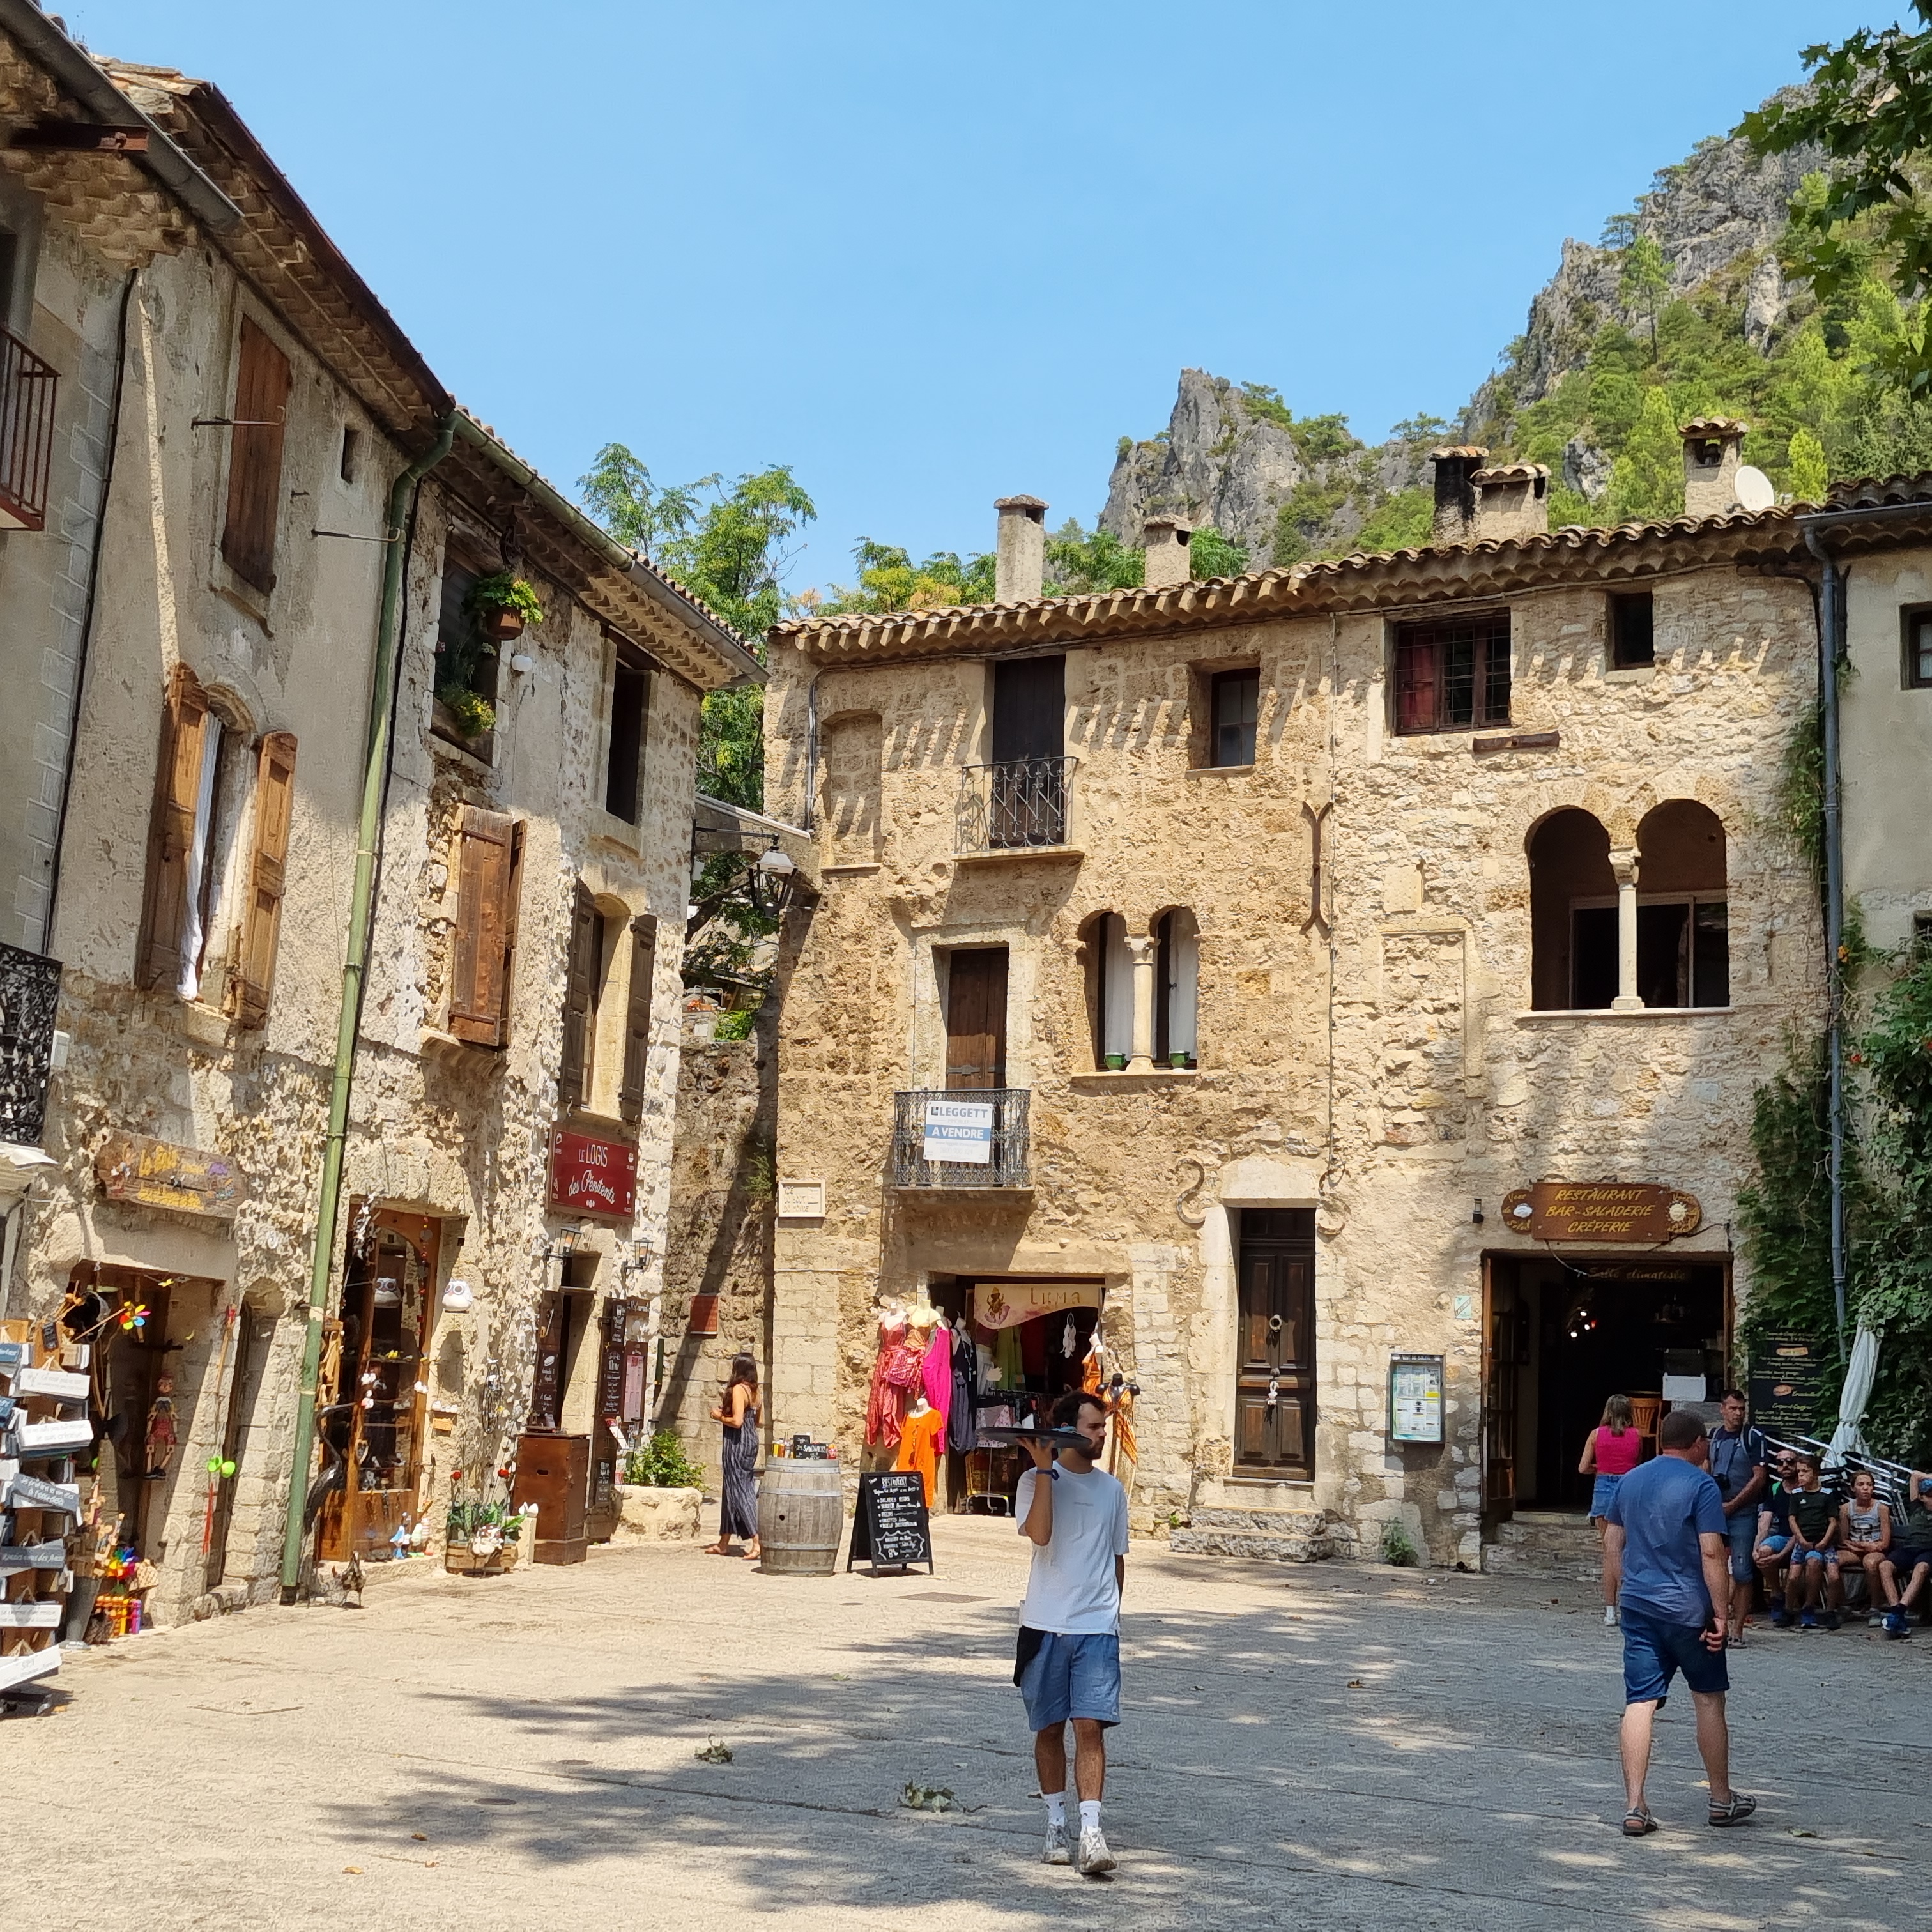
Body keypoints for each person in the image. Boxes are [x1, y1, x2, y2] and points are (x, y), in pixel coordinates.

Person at [1604, 1408, 1756, 1836]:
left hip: (1639, 1606)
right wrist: (1722, 1613)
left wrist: (1620, 1593)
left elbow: (1612, 1542)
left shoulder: (1629, 1481)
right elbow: (1711, 1551)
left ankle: (1635, 1806)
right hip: (1689, 1611)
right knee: (1707, 1699)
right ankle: (1721, 1799)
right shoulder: (1701, 1485)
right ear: (1697, 1443)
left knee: (1639, 1702)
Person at [1015, 1390, 1130, 1878]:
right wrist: (1044, 1470)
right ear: (1066, 1430)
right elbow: (1040, 1534)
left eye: (1103, 1427)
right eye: (1093, 1427)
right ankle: (1056, 1824)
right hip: (1044, 1625)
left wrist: (1111, 1614)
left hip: (1096, 1629)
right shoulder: (1032, 1481)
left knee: (1090, 1727)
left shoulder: (1113, 1490)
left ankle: (1092, 1832)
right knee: (1049, 1728)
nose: (1102, 1435)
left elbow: (1118, 1558)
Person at [1706, 1391, 1770, 1643]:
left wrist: (1733, 1505)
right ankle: (1717, 1622)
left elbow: (1759, 1477)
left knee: (1742, 1571)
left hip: (1742, 1512)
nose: (1738, 1414)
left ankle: (1738, 1630)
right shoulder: (1714, 1436)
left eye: (1742, 1409)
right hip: (1716, 1512)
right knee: (1714, 1567)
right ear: (1722, 1409)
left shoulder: (1752, 1437)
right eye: (1733, 1408)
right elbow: (1707, 1468)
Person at [1579, 1394, 1644, 1627]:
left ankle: (1610, 1609)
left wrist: (1599, 1468)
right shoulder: (1637, 1435)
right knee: (1627, 1549)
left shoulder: (1596, 1435)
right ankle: (1630, 1603)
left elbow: (1582, 1468)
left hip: (1604, 1486)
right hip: (1628, 1487)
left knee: (1609, 1551)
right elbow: (1637, 1464)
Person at [705, 1352, 761, 1561]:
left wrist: (719, 1416)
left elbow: (737, 1422)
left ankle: (757, 1541)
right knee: (730, 1489)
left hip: (737, 1443)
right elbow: (757, 1421)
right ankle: (724, 1542)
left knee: (741, 1490)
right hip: (751, 1441)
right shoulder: (756, 1392)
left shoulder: (739, 1389)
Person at [1782, 1454, 1841, 1630]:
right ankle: (1788, 1609)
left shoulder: (1827, 1495)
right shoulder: (1796, 1495)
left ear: (1815, 1474)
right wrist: (1800, 1539)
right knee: (1793, 1577)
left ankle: (1828, 1611)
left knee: (1834, 1577)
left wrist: (1825, 1541)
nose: (1800, 1475)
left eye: (1805, 1472)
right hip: (1803, 1542)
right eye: (1799, 1472)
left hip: (1823, 1542)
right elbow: (1792, 1519)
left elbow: (1833, 1521)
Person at [1877, 1471, 1932, 1638]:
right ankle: (1896, 1612)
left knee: (1921, 1568)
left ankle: (1899, 1612)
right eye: (1930, 1495)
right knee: (1885, 1566)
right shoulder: (1916, 1507)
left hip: (1929, 1550)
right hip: (1909, 1549)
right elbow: (1915, 1476)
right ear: (1922, 1497)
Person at [1836, 1471, 1892, 1623]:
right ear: (1853, 1488)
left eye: (1869, 1485)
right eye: (1861, 1485)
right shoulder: (1846, 1509)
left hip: (1876, 1549)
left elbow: (1885, 1542)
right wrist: (1860, 1547)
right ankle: (1844, 1605)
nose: (1866, 1488)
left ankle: (1875, 1608)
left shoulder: (1882, 1509)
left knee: (1871, 1563)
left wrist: (1869, 1547)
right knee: (1832, 1560)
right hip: (1854, 1549)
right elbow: (1844, 1540)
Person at [1753, 1449, 1801, 1625]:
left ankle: (1792, 1604)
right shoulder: (1774, 1489)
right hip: (1783, 1536)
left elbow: (1802, 1529)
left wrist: (1781, 1555)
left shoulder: (1805, 1489)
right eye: (1780, 1463)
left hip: (1803, 1538)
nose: (1785, 1466)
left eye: (1790, 1462)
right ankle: (1777, 1593)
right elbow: (1765, 1520)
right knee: (1763, 1553)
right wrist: (1756, 1547)